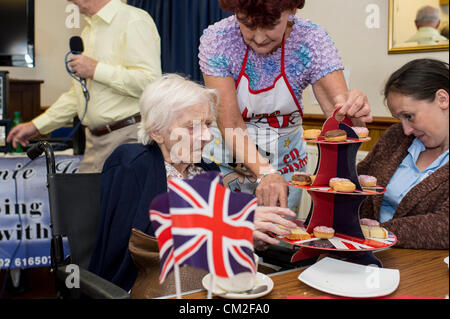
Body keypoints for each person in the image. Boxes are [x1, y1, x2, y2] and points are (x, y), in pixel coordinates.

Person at [88, 74, 298, 291]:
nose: (207, 136)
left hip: (206, 287)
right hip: (144, 286)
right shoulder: (131, 162)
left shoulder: (207, 170)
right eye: (192, 126)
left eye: (207, 124)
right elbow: (137, 242)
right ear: (157, 132)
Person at [199, 0, 372, 215]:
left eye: (270, 25)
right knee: (232, 236)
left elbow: (339, 117)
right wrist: (264, 172)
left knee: (279, 238)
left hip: (287, 163)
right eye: (248, 25)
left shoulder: (311, 40)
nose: (259, 38)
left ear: (291, 10)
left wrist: (354, 110)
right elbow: (230, 121)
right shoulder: (218, 40)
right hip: (228, 161)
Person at [6, 0, 162, 173]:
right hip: (94, 142)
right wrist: (36, 126)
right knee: (84, 199)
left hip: (127, 138)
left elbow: (149, 82)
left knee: (120, 200)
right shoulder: (88, 31)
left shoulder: (133, 20)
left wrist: (96, 69)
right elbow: (78, 95)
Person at [358, 59, 448, 249]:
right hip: (364, 255)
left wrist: (379, 232)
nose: (406, 129)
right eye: (399, 118)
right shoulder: (395, 137)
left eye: (409, 116)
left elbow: (444, 225)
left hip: (421, 269)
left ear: (442, 99)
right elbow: (355, 182)